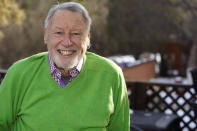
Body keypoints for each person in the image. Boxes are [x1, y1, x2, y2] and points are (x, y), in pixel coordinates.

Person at [0, 2, 130, 131]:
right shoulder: (19, 74)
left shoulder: (111, 75)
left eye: (76, 34)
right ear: (46, 36)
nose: (67, 42)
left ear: (88, 39)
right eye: (58, 32)